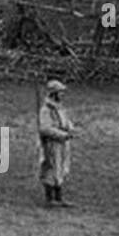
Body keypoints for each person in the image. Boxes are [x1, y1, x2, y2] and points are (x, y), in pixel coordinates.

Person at [38, 79, 77, 208]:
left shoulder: (59, 107)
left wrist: (70, 128)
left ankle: (59, 197)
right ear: (53, 93)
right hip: (51, 143)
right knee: (51, 168)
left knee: (61, 168)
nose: (62, 95)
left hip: (62, 143)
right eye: (60, 92)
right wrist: (62, 135)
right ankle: (50, 198)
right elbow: (45, 128)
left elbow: (65, 121)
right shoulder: (46, 110)